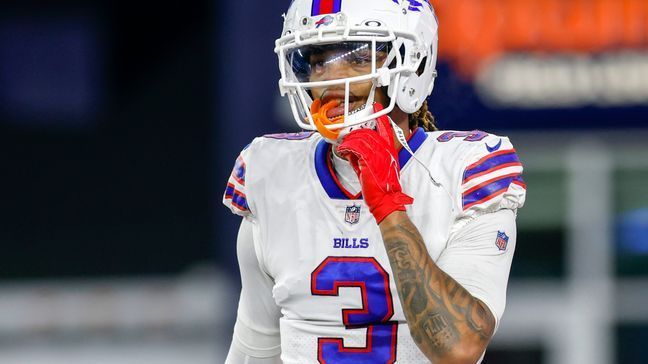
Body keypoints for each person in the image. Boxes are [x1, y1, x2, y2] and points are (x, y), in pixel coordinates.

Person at [223, 0, 526, 363]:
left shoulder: (462, 171)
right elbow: (255, 347)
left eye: (357, 57)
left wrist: (389, 207)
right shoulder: (271, 173)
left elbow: (458, 348)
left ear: (411, 63)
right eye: (319, 61)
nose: (331, 78)